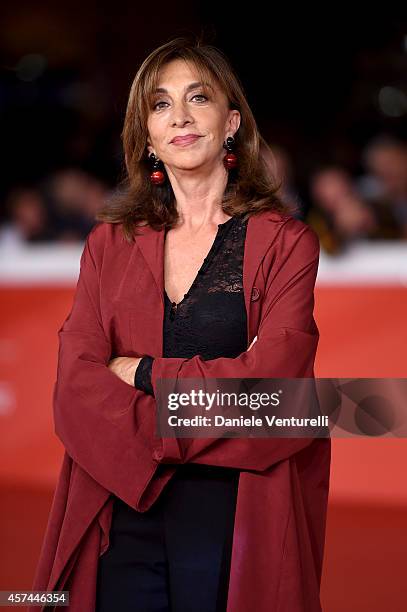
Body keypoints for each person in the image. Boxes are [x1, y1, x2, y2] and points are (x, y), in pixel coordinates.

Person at [30, 36, 331, 612]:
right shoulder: (106, 245)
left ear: (232, 122)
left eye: (199, 97)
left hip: (235, 512)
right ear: (146, 135)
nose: (181, 117)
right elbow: (76, 389)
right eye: (161, 104)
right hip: (120, 505)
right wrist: (208, 405)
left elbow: (273, 389)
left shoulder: (287, 244)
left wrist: (143, 374)